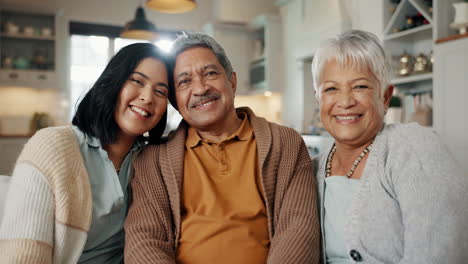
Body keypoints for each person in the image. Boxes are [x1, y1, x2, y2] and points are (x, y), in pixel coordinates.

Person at [124, 32, 321, 264]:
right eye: (184, 81)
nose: (200, 89)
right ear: (176, 101)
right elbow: (144, 239)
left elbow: (298, 229)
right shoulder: (154, 159)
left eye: (210, 73)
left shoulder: (285, 143)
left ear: (232, 82)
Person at [0, 43, 171, 263]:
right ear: (113, 82)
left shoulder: (151, 159)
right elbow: (24, 253)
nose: (148, 97)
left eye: (160, 91)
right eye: (137, 81)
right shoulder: (52, 146)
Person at [312, 29, 468, 263]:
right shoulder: (312, 168)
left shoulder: (415, 148)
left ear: (385, 97)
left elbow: (440, 253)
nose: (345, 101)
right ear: (319, 99)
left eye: (360, 86)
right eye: (331, 88)